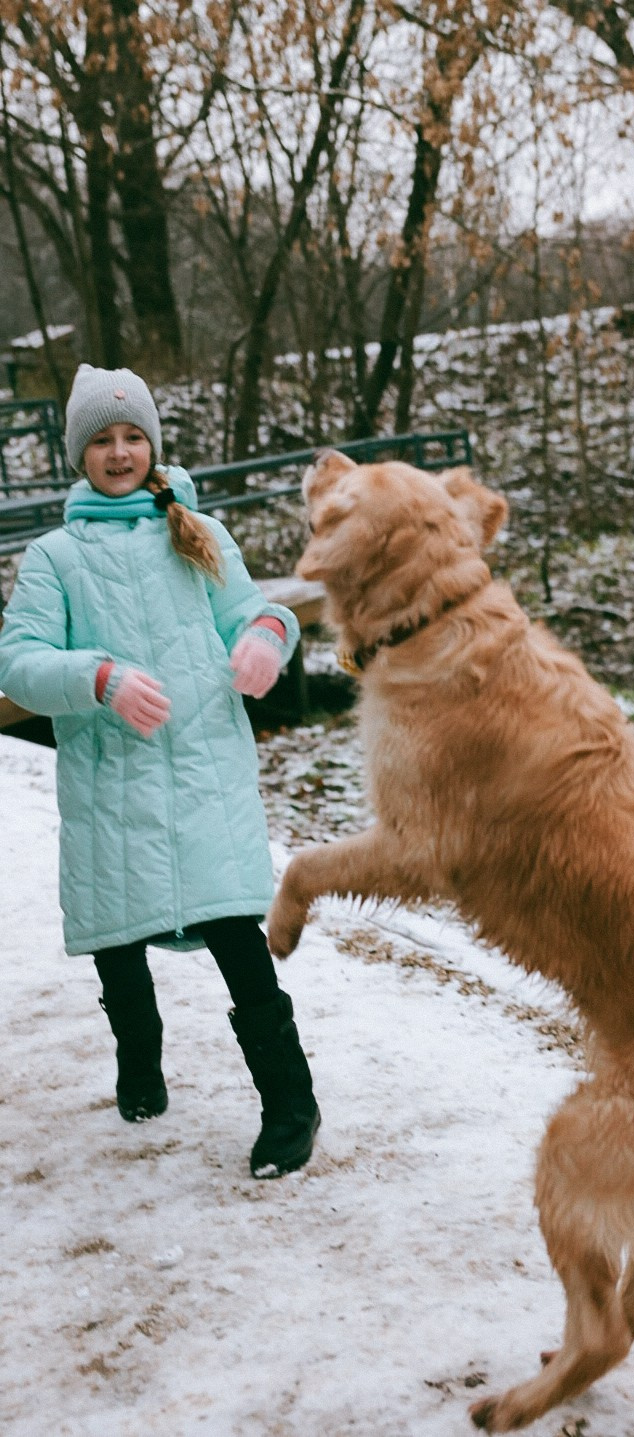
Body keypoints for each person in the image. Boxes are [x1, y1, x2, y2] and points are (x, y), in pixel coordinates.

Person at [0, 364, 320, 1179]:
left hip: (205, 774)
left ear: (152, 444)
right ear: (79, 455)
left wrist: (267, 638)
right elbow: (19, 663)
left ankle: (291, 1103)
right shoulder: (54, 557)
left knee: (238, 941)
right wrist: (98, 679)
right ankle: (139, 1058)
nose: (120, 452)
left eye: (133, 436)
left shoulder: (198, 531)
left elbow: (254, 611)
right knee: (120, 946)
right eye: (102, 440)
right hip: (110, 785)